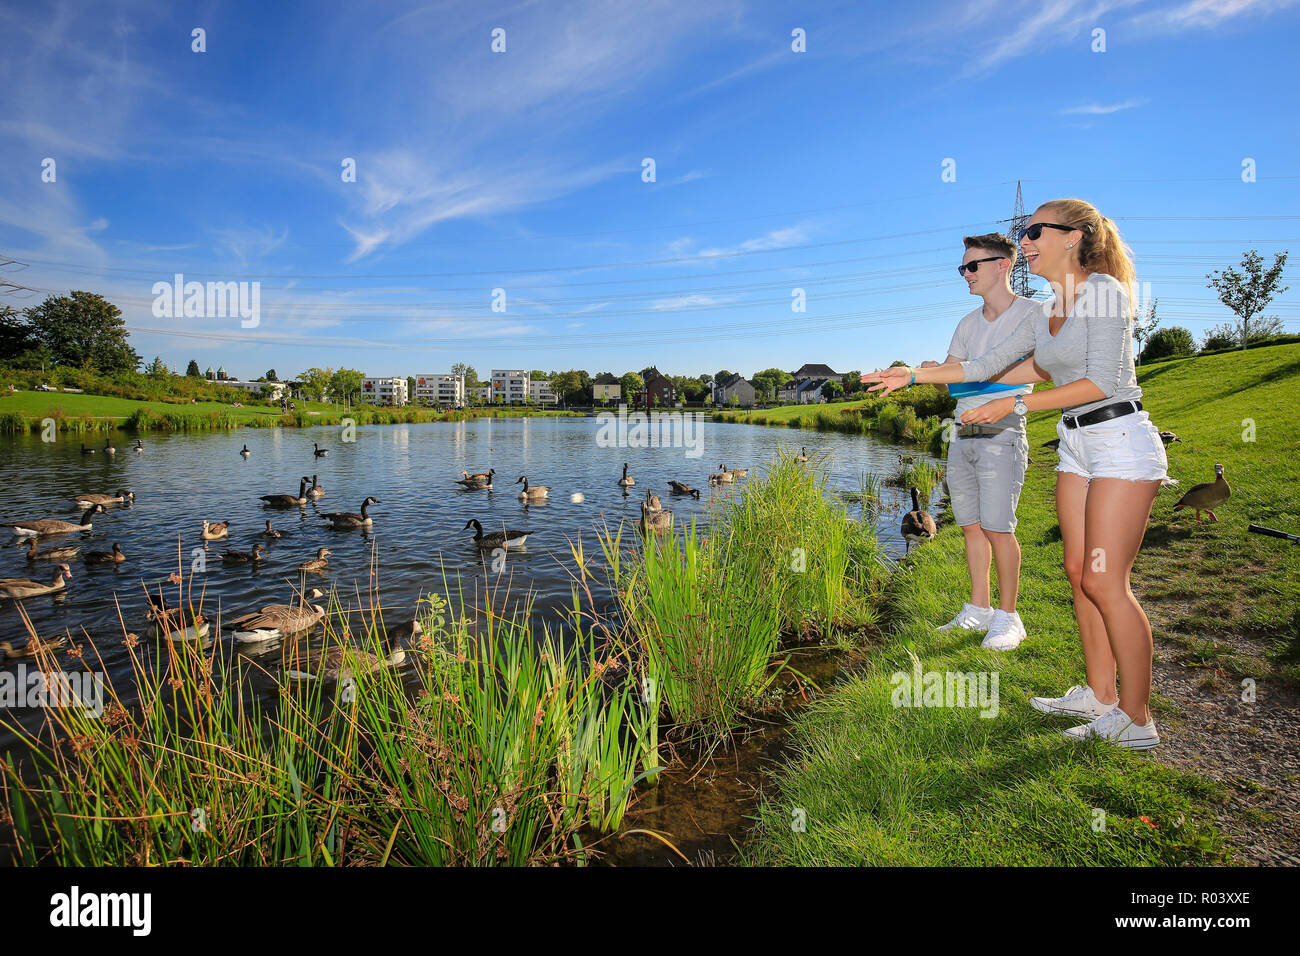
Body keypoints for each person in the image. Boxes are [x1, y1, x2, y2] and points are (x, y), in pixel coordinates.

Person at [862, 198, 1169, 750]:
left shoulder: (1102, 292)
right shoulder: (1051, 309)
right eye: (1021, 234)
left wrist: (1014, 404)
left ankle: (1137, 718)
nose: (1024, 241)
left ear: (1073, 236)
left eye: (1033, 231)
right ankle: (1101, 696)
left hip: (1119, 439)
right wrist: (912, 375)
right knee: (1078, 575)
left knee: (1104, 581)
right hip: (1077, 445)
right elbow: (985, 368)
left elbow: (1102, 380)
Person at [929, 233, 1038, 650]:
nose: (965, 275)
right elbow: (952, 379)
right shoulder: (966, 324)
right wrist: (929, 371)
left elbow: (1036, 372)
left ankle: (1010, 618)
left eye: (972, 266)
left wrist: (952, 375)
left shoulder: (1033, 314)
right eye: (962, 268)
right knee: (971, 526)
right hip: (962, 435)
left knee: (998, 528)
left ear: (1002, 265)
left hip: (1002, 433)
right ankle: (979, 610)